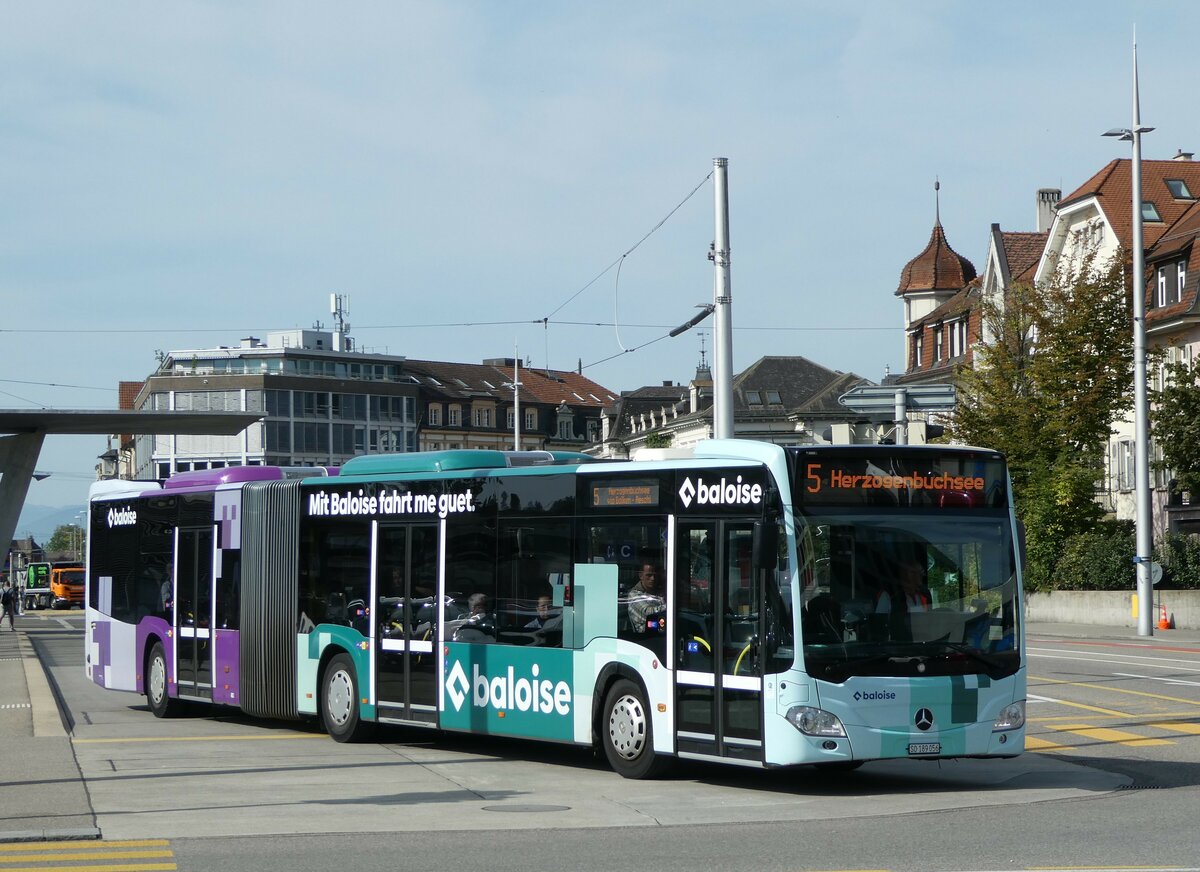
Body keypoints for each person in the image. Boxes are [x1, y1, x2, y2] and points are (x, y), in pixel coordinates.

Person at [627, 561, 665, 633]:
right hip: (646, 639)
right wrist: (672, 607)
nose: (653, 578)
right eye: (649, 575)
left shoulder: (659, 592)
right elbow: (648, 613)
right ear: (641, 576)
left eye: (655, 575)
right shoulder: (634, 595)